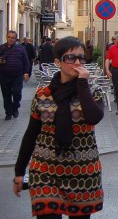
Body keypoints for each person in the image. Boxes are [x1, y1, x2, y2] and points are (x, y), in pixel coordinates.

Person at [12, 36, 105, 218]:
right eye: (71, 58)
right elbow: (31, 134)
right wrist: (19, 171)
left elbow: (94, 117)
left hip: (83, 173)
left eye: (81, 58)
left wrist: (82, 84)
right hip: (45, 171)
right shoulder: (43, 94)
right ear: (58, 62)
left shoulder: (92, 91)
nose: (77, 62)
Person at [0, 31, 31, 120]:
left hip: (17, 75)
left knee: (17, 93)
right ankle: (8, 113)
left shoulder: (21, 48)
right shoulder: (1, 48)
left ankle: (16, 107)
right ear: (6, 37)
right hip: (4, 75)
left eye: (13, 37)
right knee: (6, 95)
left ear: (16, 39)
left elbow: (26, 61)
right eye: (9, 37)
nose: (10, 39)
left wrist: (26, 73)